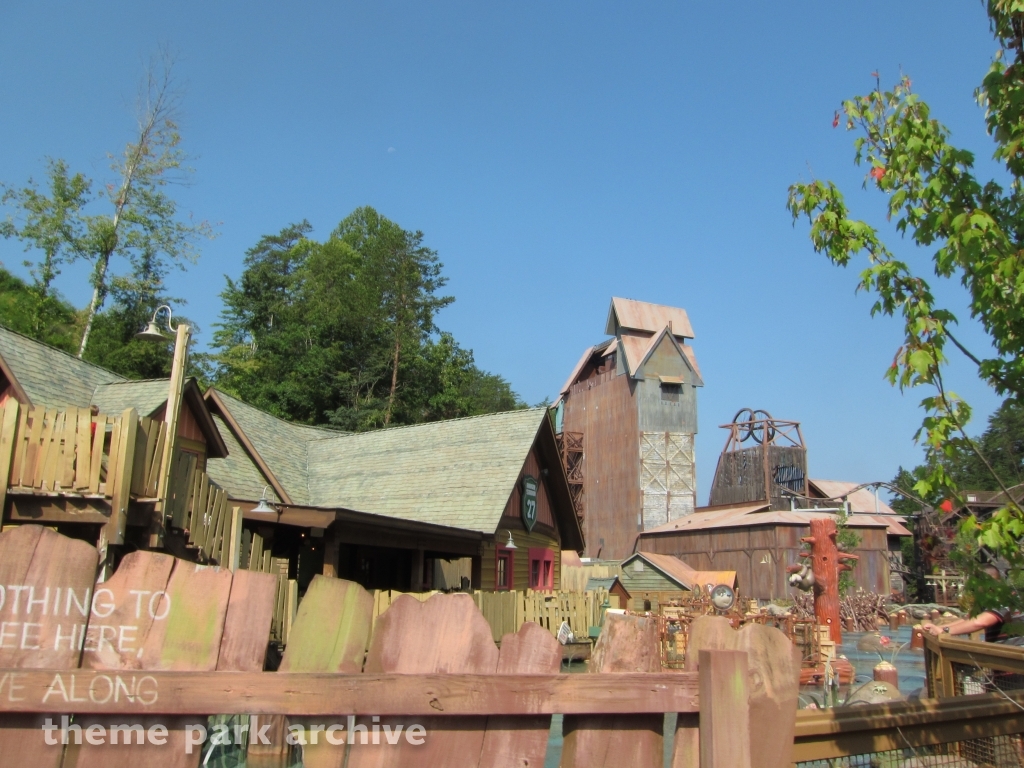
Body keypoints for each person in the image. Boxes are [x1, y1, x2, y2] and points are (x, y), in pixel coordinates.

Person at [920, 565, 1024, 644]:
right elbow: (969, 619)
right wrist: (939, 627)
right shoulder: (989, 600)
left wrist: (945, 631)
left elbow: (980, 622)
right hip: (1003, 657)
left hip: (1016, 659)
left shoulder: (1005, 598)